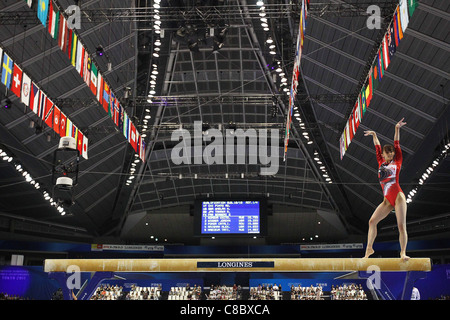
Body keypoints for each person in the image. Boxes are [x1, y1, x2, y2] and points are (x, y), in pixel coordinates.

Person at [364, 118, 410, 261]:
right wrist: (374, 135)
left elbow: (397, 144)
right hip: (387, 200)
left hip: (398, 197)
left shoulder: (397, 161)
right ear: (383, 155)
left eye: (392, 153)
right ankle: (369, 249)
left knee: (401, 226)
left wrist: (397, 129)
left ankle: (403, 252)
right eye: (387, 153)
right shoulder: (380, 161)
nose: (390, 155)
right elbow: (377, 147)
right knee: (372, 222)